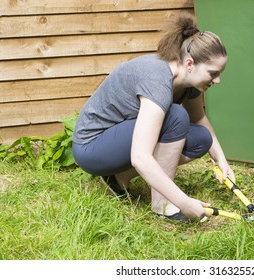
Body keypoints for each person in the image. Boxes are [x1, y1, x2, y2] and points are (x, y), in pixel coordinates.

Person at [72, 12, 235, 222]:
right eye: (213, 73)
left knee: (201, 138)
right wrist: (185, 202)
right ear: (189, 64)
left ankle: (118, 178)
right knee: (176, 116)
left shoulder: (190, 82)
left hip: (119, 139)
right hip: (92, 146)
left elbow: (199, 119)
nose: (218, 80)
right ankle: (162, 205)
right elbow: (140, 157)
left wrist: (221, 159)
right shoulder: (157, 79)